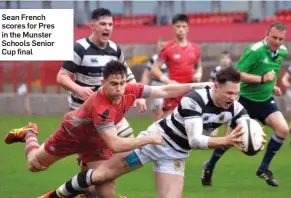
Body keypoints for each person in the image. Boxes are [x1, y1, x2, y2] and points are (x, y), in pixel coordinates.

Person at [38, 67, 266, 198]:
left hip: (175, 156)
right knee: (100, 176)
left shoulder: (236, 107)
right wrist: (226, 140)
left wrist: (256, 137)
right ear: (215, 87)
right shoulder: (194, 100)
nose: (232, 98)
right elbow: (196, 140)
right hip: (152, 143)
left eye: (236, 94)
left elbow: (247, 127)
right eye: (228, 93)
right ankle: (57, 195)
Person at [4, 61, 212, 198]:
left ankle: (77, 192)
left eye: (122, 83)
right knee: (34, 165)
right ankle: (29, 132)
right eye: (114, 84)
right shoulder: (100, 105)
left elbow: (164, 90)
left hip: (97, 141)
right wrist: (147, 139)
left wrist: (199, 86)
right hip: (72, 134)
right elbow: (115, 144)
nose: (120, 89)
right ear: (103, 83)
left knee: (105, 185)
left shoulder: (130, 89)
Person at [56, 8, 143, 197]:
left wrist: (138, 95)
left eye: (110, 24)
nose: (107, 28)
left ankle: (89, 183)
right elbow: (62, 77)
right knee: (98, 153)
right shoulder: (79, 48)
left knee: (127, 144)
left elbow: (125, 73)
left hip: (108, 109)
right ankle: (91, 184)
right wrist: (79, 89)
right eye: (103, 24)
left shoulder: (114, 49)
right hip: (83, 111)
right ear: (92, 25)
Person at [202, 22, 289, 187]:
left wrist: (272, 87)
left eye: (280, 39)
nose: (277, 42)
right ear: (267, 34)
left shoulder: (283, 52)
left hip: (264, 101)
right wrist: (263, 80)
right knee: (229, 141)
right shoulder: (255, 50)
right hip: (245, 101)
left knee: (283, 129)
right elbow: (237, 74)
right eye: (274, 37)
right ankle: (209, 165)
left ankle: (263, 168)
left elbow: (273, 72)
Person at [151, 13, 202, 117]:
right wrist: (168, 81)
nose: (181, 29)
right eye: (178, 26)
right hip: (173, 92)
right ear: (173, 28)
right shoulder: (167, 48)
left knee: (190, 126)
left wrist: (198, 75)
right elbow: (154, 69)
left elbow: (199, 67)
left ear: (188, 28)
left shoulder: (195, 48)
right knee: (168, 126)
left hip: (190, 92)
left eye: (184, 26)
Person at [141, 38, 169, 121]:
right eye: (161, 46)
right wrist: (142, 92)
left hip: (170, 88)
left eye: (164, 46)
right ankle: (155, 131)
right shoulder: (154, 59)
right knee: (158, 113)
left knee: (168, 113)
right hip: (157, 87)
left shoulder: (171, 58)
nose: (162, 48)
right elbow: (146, 76)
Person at [207, 50, 233, 137]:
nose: (225, 60)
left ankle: (227, 136)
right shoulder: (216, 70)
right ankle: (215, 129)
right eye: (223, 58)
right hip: (218, 95)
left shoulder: (233, 70)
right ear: (220, 59)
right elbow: (210, 81)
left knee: (228, 114)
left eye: (227, 58)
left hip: (229, 96)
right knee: (215, 111)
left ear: (229, 59)